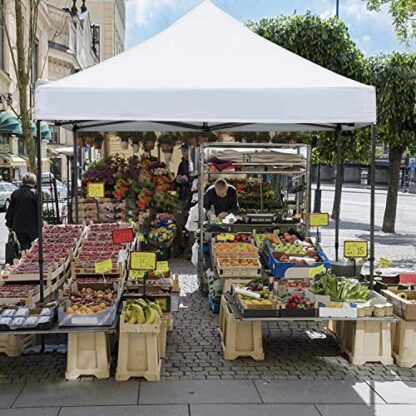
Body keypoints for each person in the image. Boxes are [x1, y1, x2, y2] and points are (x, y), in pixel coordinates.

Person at [6, 173, 39, 251]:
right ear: (34, 182)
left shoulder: (15, 193)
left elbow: (11, 210)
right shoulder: (35, 193)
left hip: (18, 226)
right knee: (34, 247)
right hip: (33, 226)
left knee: (24, 246)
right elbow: (39, 210)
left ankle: (25, 260)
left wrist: (9, 223)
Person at [173, 144, 192, 256]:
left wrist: (189, 179)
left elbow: (199, 179)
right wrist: (178, 179)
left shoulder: (194, 164)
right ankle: (180, 247)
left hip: (191, 198)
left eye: (185, 150)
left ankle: (190, 250)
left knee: (191, 223)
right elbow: (176, 180)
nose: (183, 153)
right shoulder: (181, 164)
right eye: (183, 151)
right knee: (179, 222)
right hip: (181, 197)